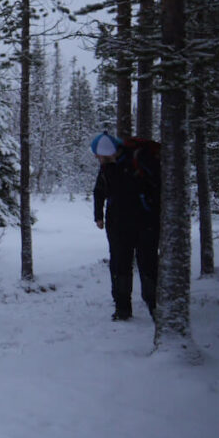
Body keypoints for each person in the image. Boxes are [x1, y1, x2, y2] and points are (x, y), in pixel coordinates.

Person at [91, 132, 158, 320]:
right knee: (120, 264)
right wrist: (98, 216)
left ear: (107, 152)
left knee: (147, 264)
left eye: (99, 155)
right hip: (119, 224)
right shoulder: (106, 167)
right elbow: (99, 191)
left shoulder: (138, 161)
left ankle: (153, 304)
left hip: (144, 222)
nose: (98, 159)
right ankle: (123, 308)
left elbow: (155, 189)